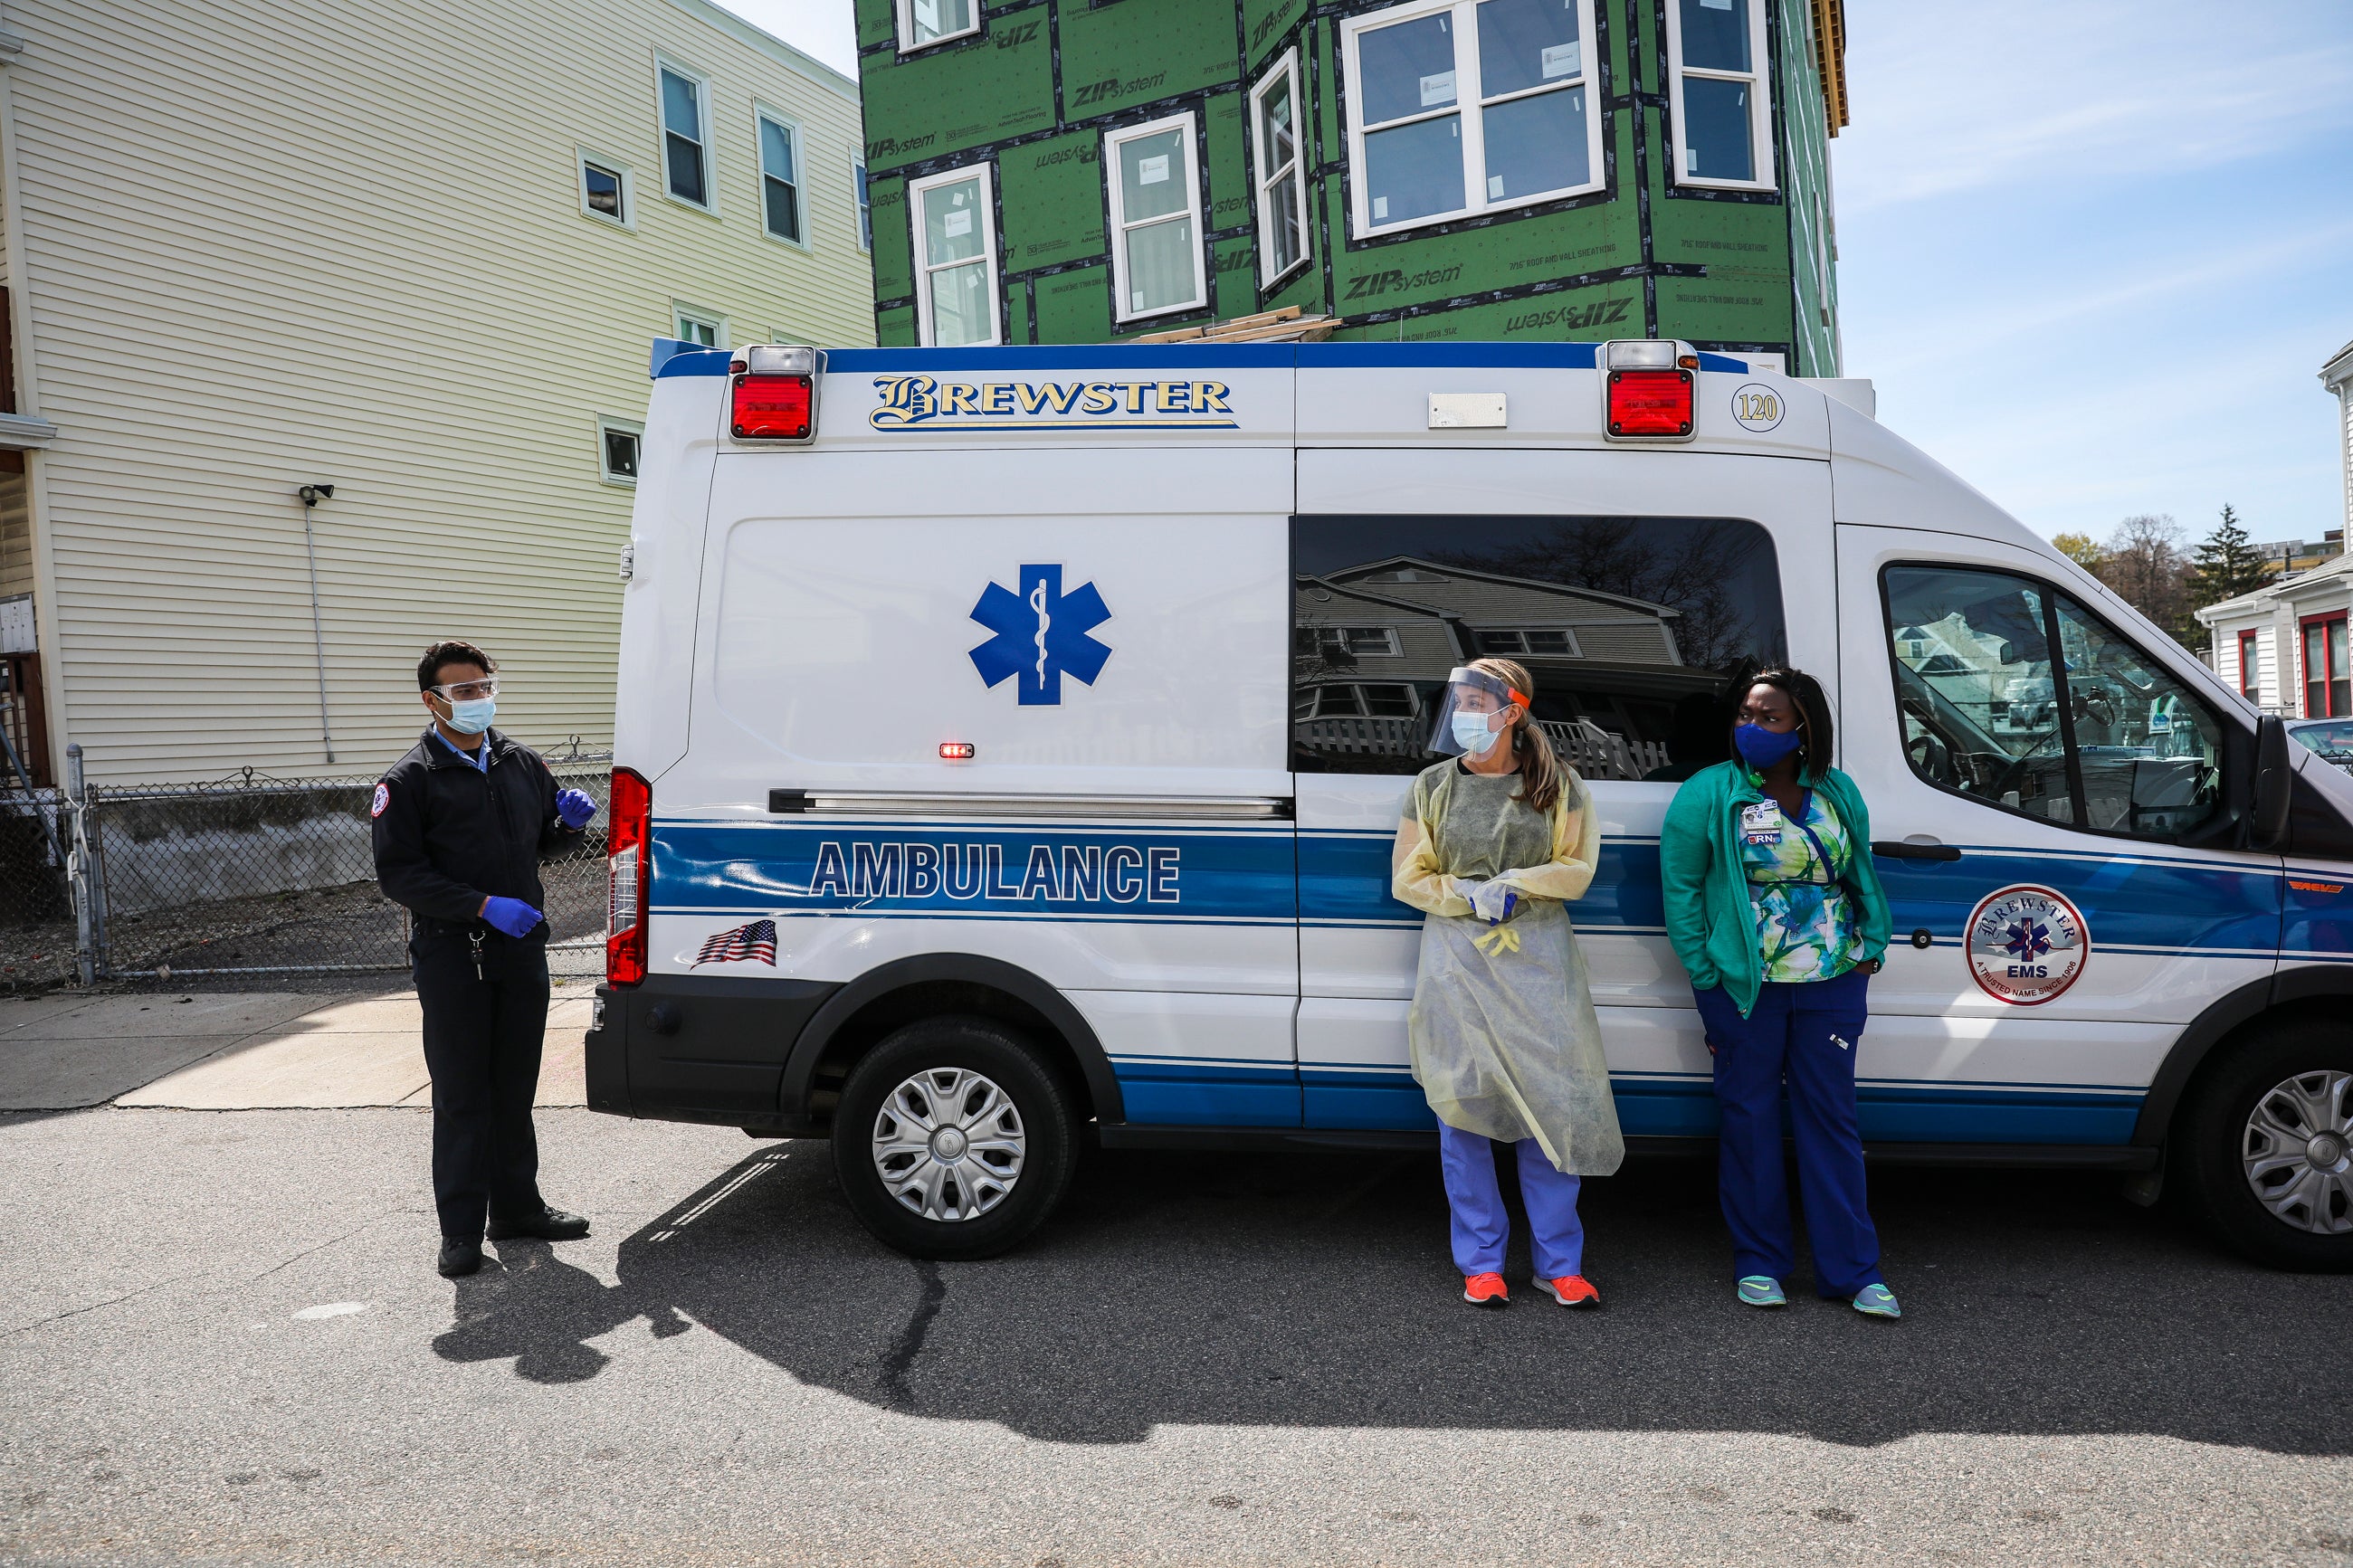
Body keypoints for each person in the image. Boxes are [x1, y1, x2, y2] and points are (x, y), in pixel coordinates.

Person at [1659, 667, 1900, 1318]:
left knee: (1832, 1123)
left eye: (1769, 717)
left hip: (1832, 980)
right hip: (1745, 987)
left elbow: (1861, 874)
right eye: (1744, 714)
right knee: (1750, 1120)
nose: (1752, 727)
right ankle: (1759, 1261)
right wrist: (1705, 975)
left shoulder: (1836, 790)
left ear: (1803, 727)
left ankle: (1853, 1270)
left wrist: (1869, 951)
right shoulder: (1709, 792)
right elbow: (1681, 892)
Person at [1391, 658, 1624, 1310]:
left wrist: (1515, 883)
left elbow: (1575, 867)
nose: (1463, 712)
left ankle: (1560, 1262)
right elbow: (1408, 876)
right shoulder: (1433, 786)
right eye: (1457, 700)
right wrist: (1466, 893)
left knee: (1550, 1107)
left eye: (1474, 700)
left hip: (1538, 965)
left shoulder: (1558, 783)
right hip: (1459, 964)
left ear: (1512, 709)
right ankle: (1481, 1260)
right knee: (1462, 1111)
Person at [371, 640, 600, 1278]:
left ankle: (518, 1210)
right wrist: (480, 905)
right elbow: (400, 876)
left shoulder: (520, 762)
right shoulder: (408, 780)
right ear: (432, 700)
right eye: (463, 691)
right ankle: (462, 1231)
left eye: (484, 686)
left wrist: (571, 827)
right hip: (454, 955)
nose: (479, 699)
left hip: (520, 949)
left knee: (514, 1087)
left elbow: (544, 845)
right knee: (464, 1094)